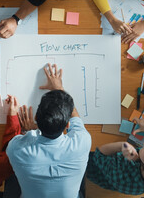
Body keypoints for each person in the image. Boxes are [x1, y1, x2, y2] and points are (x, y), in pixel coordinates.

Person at [6, 63, 92, 198]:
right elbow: (76, 118)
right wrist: (59, 89)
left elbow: (16, 141)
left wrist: (28, 131)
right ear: (67, 126)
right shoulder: (83, 142)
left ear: (36, 118)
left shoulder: (17, 148)